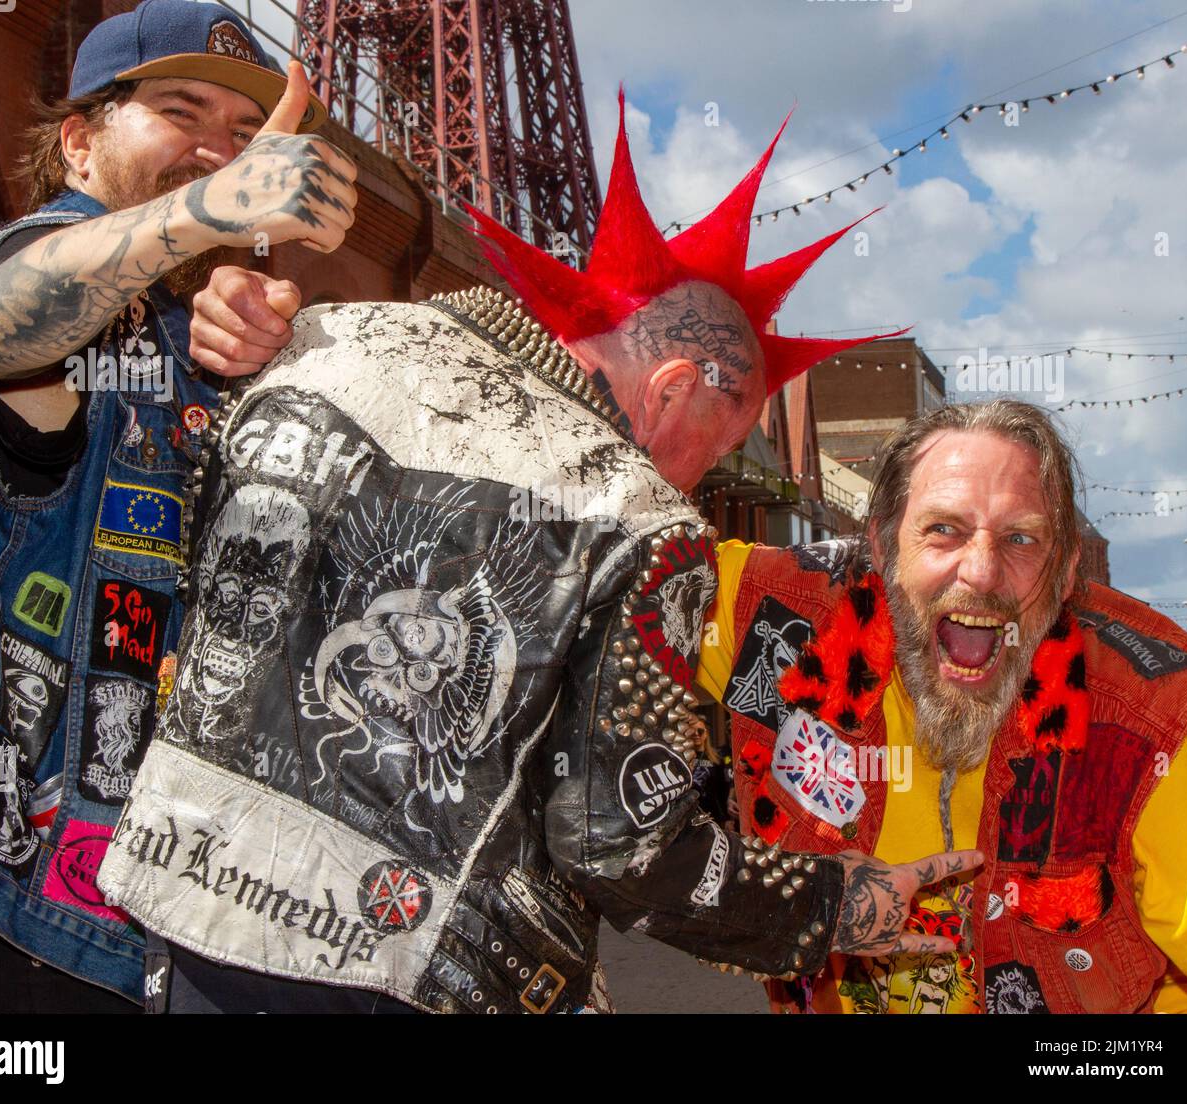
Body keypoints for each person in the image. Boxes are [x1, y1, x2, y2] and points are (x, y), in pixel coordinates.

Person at [98, 93, 981, 1014]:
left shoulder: (317, 341)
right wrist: (841, 904)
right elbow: (620, 845)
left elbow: (181, 575)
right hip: (415, 975)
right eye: (711, 451)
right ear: (673, 388)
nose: (694, 485)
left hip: (187, 920)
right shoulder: (642, 522)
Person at [0, 0, 356, 1012]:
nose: (218, 149)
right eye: (180, 109)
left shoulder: (184, 332)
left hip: (129, 902)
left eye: (247, 135)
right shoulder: (36, 256)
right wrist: (208, 211)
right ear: (79, 140)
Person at [697, 400, 1187, 1013]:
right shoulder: (780, 621)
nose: (982, 571)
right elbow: (603, 551)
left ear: (1067, 570)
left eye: (1021, 539)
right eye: (944, 529)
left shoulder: (1137, 728)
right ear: (884, 547)